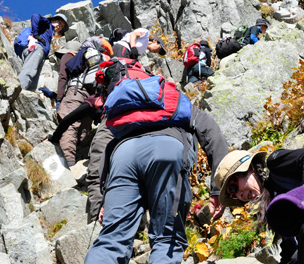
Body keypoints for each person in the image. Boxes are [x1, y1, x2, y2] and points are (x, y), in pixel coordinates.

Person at [84, 105, 229, 263]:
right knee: (167, 239)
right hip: (168, 151)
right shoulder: (177, 102)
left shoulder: (125, 106)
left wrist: (104, 197)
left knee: (110, 242)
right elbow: (212, 133)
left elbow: (103, 145)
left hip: (123, 155)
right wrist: (219, 189)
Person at [214, 148, 304, 263]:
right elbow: (289, 244)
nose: (239, 196)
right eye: (233, 194)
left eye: (234, 187)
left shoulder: (275, 163)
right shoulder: (272, 201)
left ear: (250, 168)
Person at [56, 36, 111, 167]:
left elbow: (63, 77)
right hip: (93, 97)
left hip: (76, 91)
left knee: (70, 124)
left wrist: (58, 98)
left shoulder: (70, 55)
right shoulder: (100, 59)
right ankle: (79, 161)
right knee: (83, 128)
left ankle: (67, 163)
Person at [18, 13, 69, 91]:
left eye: (62, 26)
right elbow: (35, 16)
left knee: (33, 80)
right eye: (59, 22)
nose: (60, 26)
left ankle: (26, 94)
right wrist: (36, 34)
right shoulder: (47, 24)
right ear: (53, 20)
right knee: (29, 71)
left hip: (40, 53)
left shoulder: (50, 31)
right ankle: (20, 90)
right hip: (37, 49)